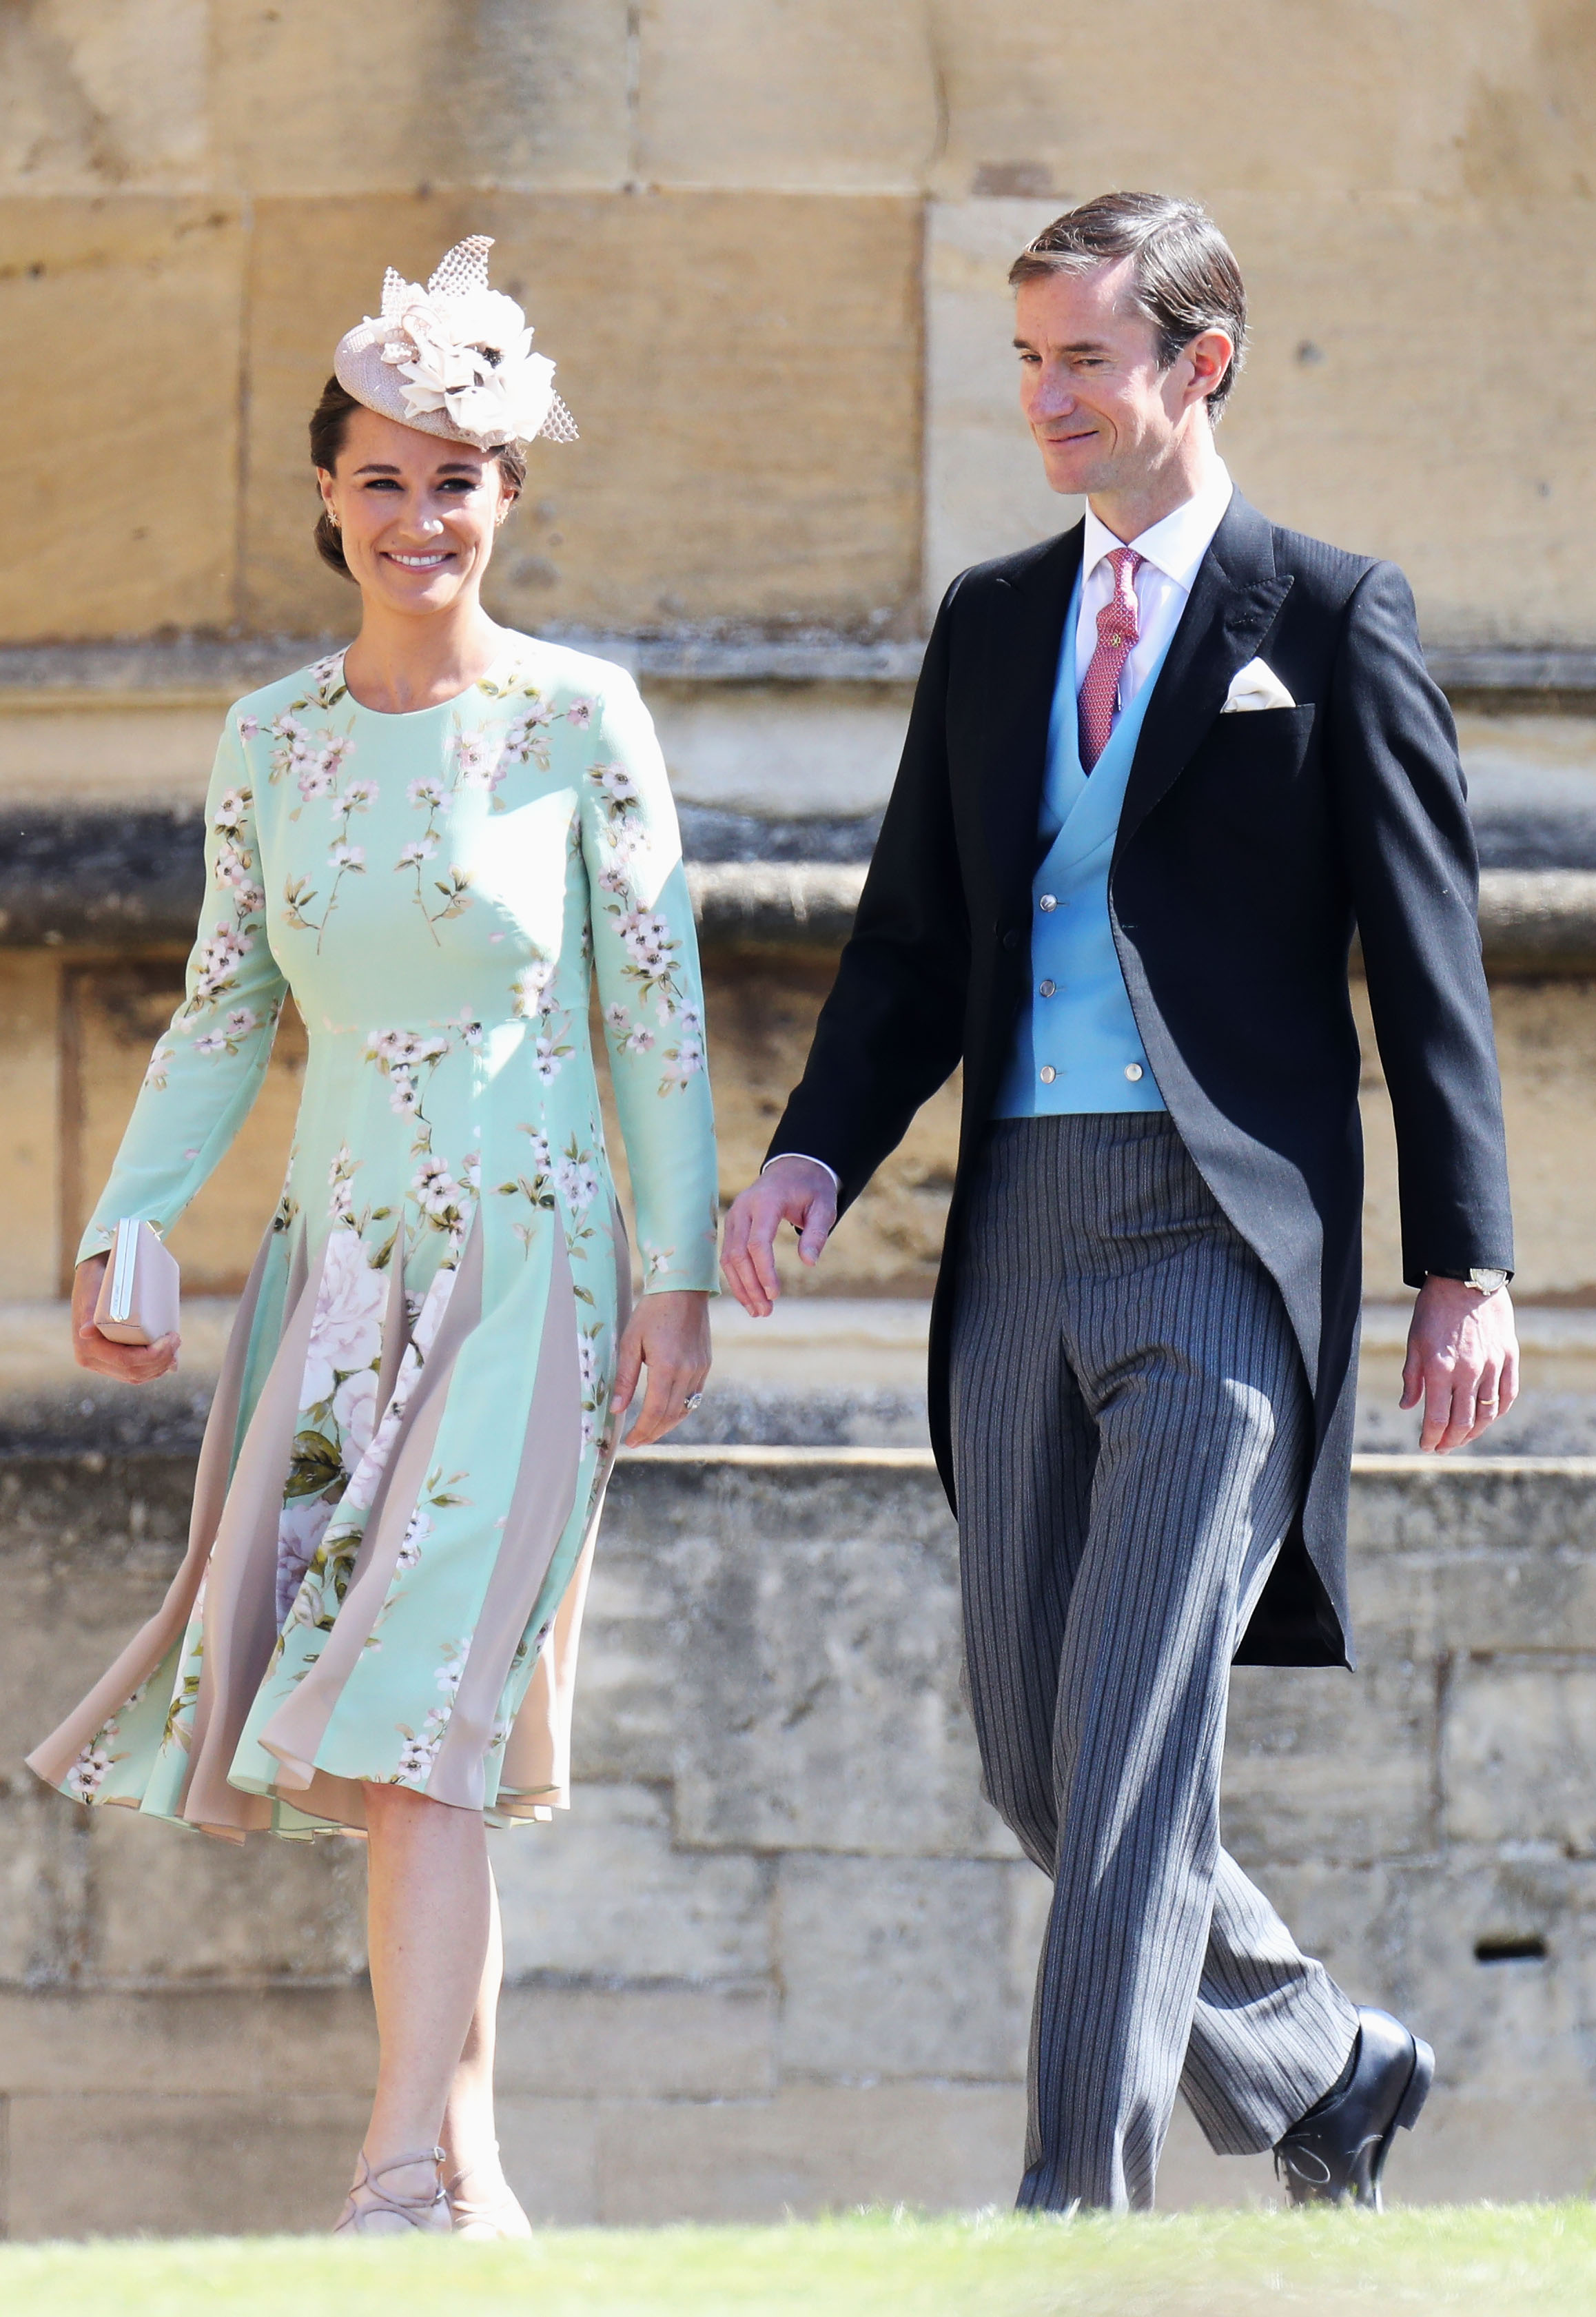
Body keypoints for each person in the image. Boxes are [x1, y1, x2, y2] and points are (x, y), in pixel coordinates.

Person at [722, 192, 1517, 2215]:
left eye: (1083, 358)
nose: (1044, 399)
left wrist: (1465, 1258)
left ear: (1198, 364)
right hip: (1013, 1233)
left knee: (1140, 1731)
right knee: (1038, 1753)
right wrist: (814, 1149)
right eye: (1026, 359)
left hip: (1221, 1244)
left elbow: (1427, 960)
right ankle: (1325, 2066)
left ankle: (1071, 2202)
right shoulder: (993, 623)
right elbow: (907, 940)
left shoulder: (1329, 616)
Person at [28, 237, 719, 2236]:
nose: (425, 517)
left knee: (426, 1697)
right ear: (327, 493)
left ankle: (407, 2156)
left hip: (536, 1273)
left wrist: (675, 1275)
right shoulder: (268, 740)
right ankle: (453, 2159)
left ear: (512, 496)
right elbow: (228, 1002)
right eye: (387, 477)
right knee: (386, 1715)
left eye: (463, 478)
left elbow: (652, 1012)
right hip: (335, 1281)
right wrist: (125, 1225)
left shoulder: (586, 717)